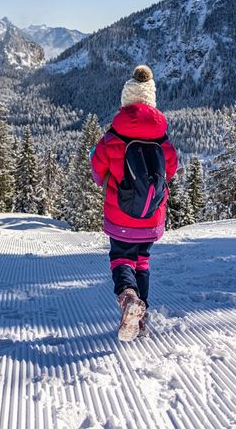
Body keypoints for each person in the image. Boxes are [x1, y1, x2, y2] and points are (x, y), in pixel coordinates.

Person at [90, 65, 178, 341]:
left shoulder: (113, 136)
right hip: (151, 216)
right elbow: (171, 171)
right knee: (142, 261)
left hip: (121, 216)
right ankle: (140, 318)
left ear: (126, 100)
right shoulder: (162, 138)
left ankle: (128, 298)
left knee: (121, 259)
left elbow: (97, 171)